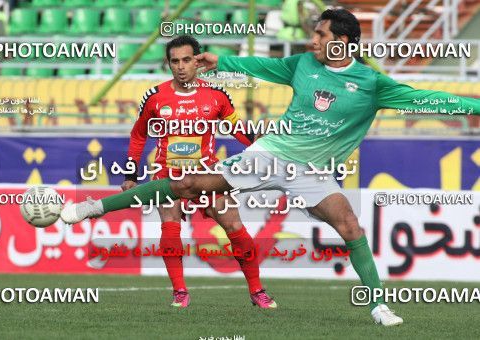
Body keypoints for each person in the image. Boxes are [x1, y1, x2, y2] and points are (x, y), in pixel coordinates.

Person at [61, 9, 480, 325]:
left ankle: (378, 305)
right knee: (187, 184)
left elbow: (429, 99)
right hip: (271, 153)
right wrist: (221, 61)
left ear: (344, 41)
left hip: (313, 172)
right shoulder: (302, 65)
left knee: (350, 226)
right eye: (314, 33)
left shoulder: (373, 84)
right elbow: (262, 67)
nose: (312, 39)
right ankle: (92, 208)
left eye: (320, 33)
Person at [110, 35, 276, 309]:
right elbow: (138, 136)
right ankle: (180, 292)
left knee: (234, 224)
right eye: (174, 61)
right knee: (171, 221)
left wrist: (264, 139)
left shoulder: (217, 96)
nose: (180, 66)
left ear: (198, 62)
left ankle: (257, 290)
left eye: (187, 60)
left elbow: (241, 133)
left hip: (207, 173)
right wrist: (130, 176)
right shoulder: (154, 97)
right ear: (168, 64)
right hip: (168, 172)